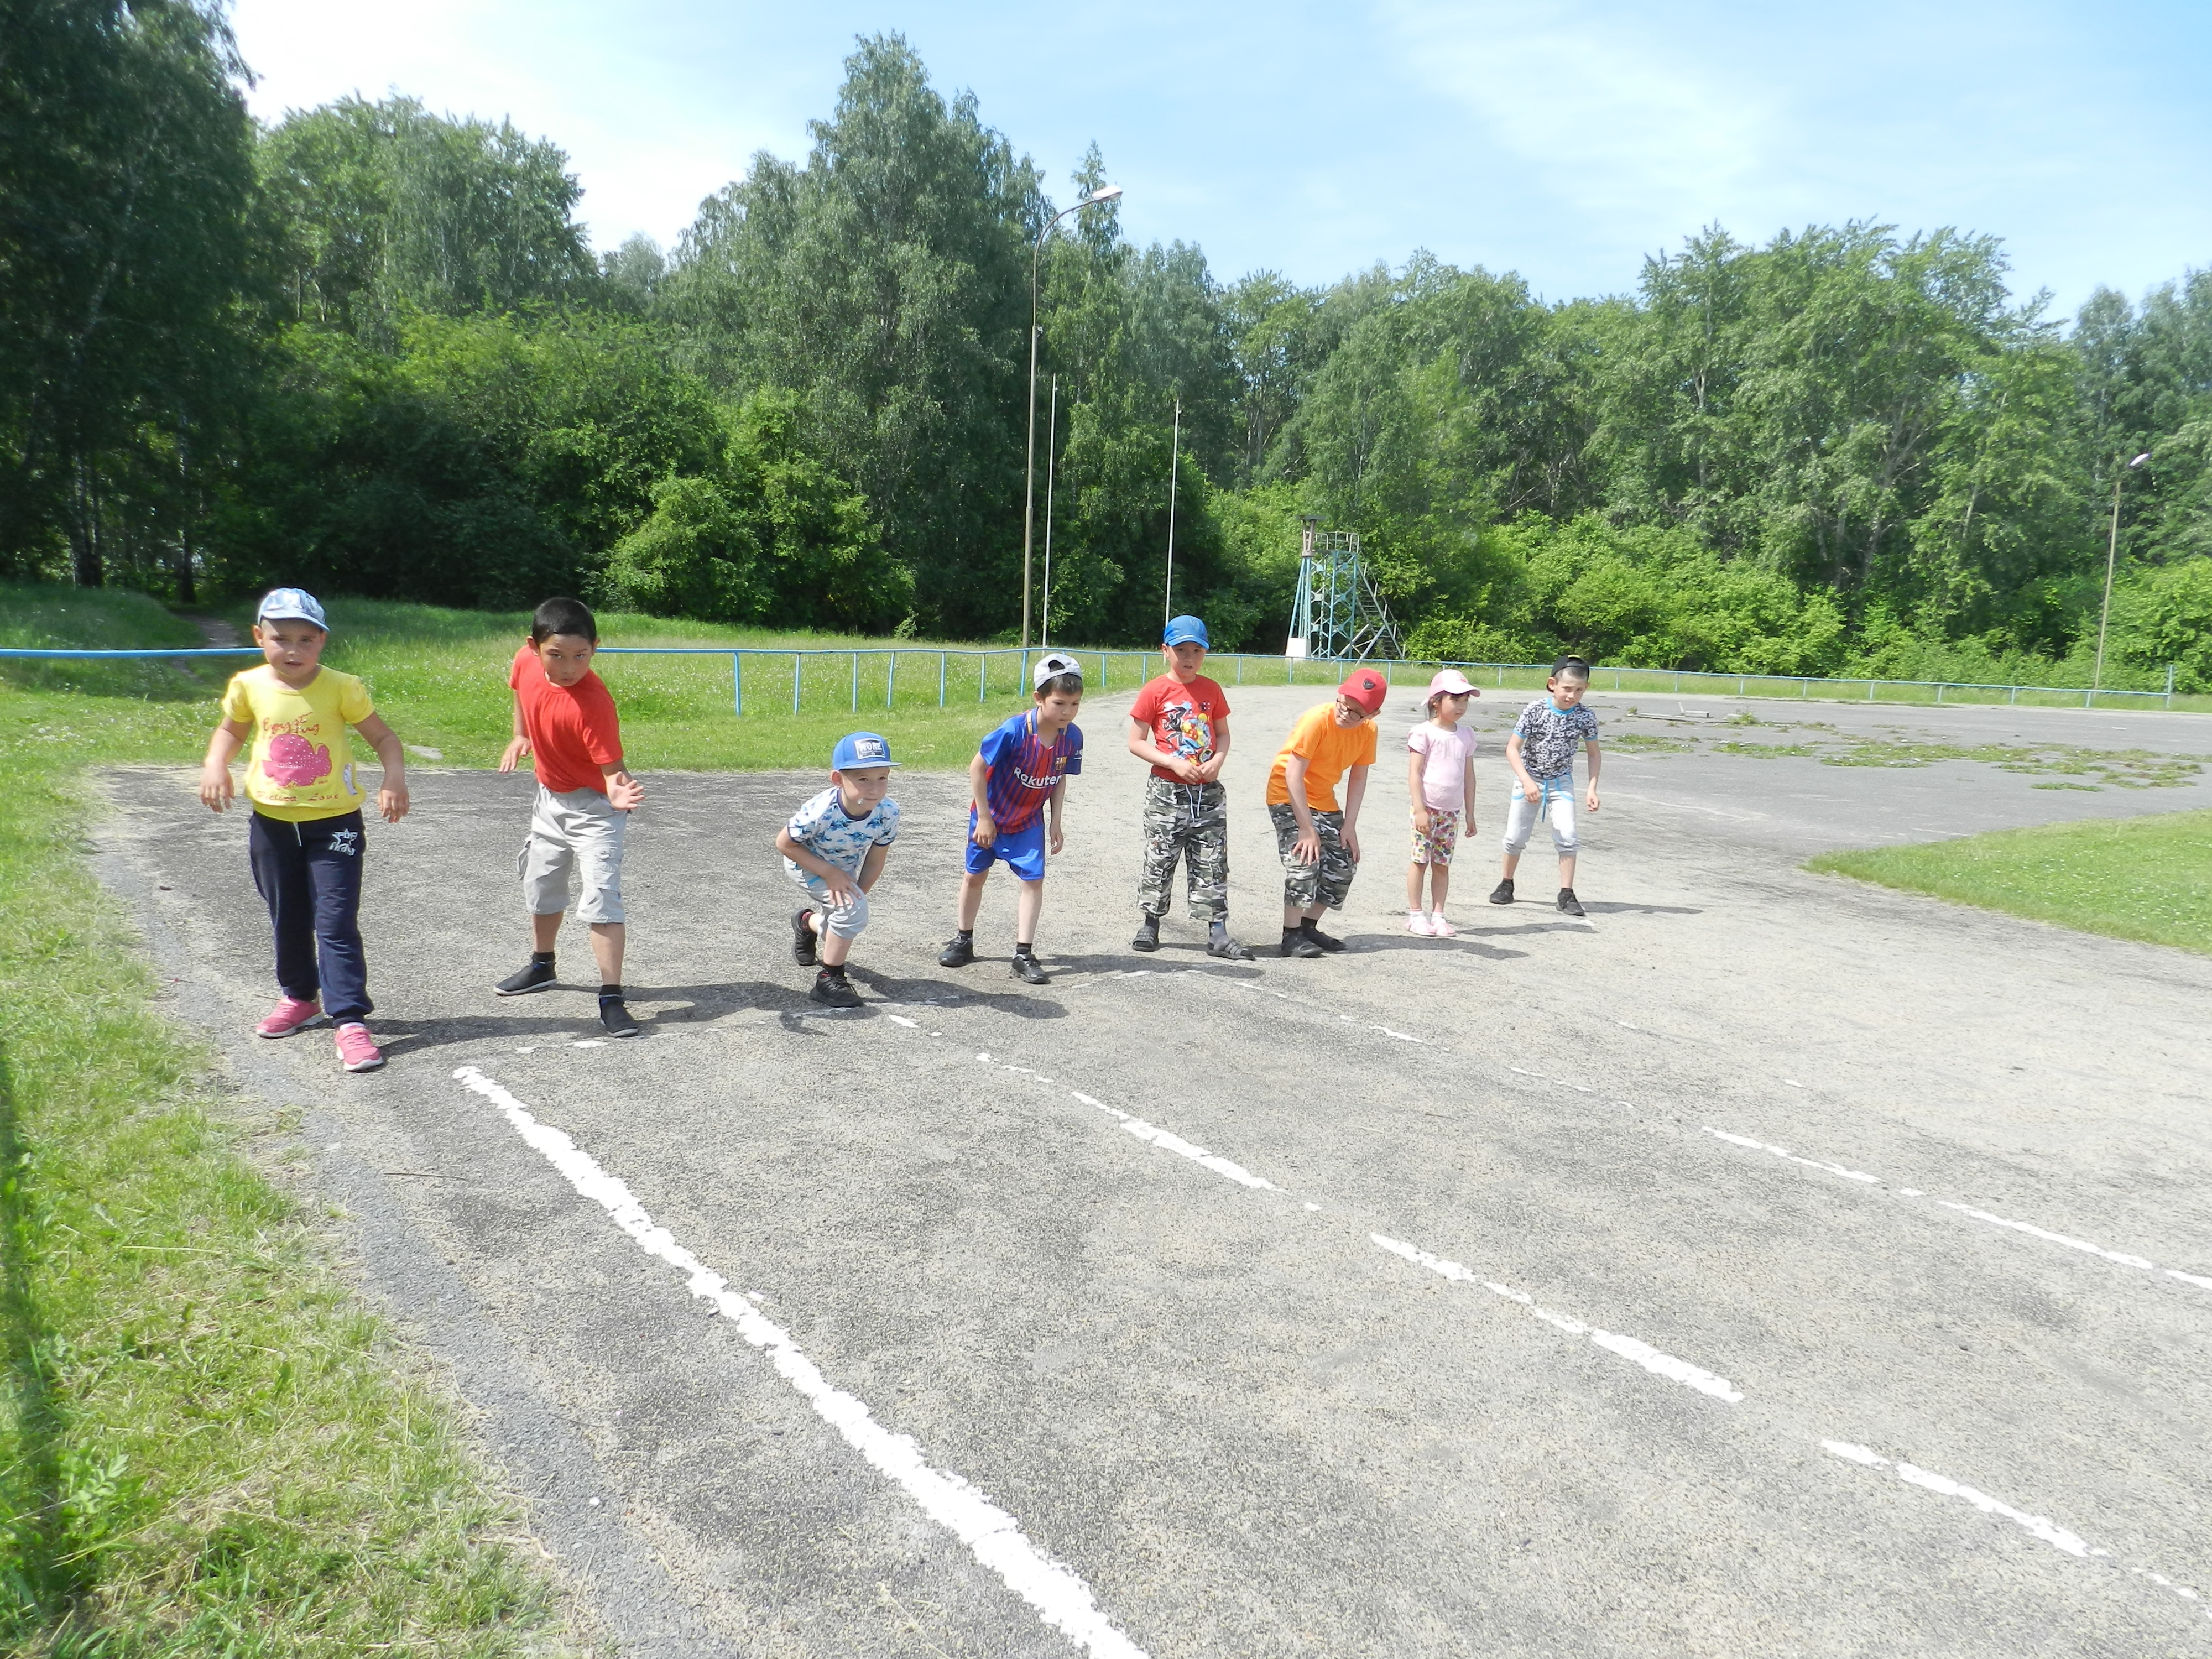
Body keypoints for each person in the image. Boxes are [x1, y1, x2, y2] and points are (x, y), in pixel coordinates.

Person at [198, 587, 408, 1073]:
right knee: (287, 916)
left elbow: (384, 738)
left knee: (335, 922)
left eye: (306, 640)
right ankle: (299, 997)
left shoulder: (342, 687)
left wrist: (394, 779)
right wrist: (215, 765)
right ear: (259, 636)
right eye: (281, 639)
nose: (293, 651)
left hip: (334, 825)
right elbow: (231, 731)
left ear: (322, 641)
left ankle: (350, 1020)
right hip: (272, 824)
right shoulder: (248, 685)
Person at [492, 597, 647, 1037]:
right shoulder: (525, 662)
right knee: (540, 885)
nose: (569, 667)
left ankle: (611, 997)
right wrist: (520, 734)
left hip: (596, 810)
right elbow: (520, 692)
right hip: (549, 802)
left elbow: (612, 770)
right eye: (557, 655)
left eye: (581, 656)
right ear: (534, 647)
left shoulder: (593, 703)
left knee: (602, 900)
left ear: (595, 648)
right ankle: (543, 965)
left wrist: (617, 790)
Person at [939, 654, 1084, 985]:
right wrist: (984, 818)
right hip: (991, 817)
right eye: (1060, 703)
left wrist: (1056, 822)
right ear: (1039, 698)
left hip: (1028, 821)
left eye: (1075, 704)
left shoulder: (1072, 737)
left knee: (1033, 881)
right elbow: (977, 769)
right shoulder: (1014, 731)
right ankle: (963, 940)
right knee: (974, 877)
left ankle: (1023, 954)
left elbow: (1059, 777)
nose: (1067, 712)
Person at [1124, 615, 1254, 960]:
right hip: (1167, 792)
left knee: (1212, 860)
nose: (1189, 658)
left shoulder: (1212, 690)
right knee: (1161, 857)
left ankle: (1218, 933)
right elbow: (1136, 742)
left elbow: (1222, 734)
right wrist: (1174, 763)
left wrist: (1218, 761)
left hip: (1207, 792)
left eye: (1197, 651)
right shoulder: (1155, 690)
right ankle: (1150, 924)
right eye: (1181, 650)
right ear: (1165, 650)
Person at [1265, 667, 1387, 959]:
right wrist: (1307, 829)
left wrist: (1349, 825)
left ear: (1373, 714)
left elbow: (1358, 777)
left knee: (1344, 862)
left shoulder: (1369, 731)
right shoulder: (1317, 720)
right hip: (1287, 795)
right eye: (1344, 704)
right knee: (1304, 860)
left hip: (1324, 801)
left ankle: (1308, 926)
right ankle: (1290, 935)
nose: (1345, 714)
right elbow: (1293, 774)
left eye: (1356, 713)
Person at [777, 732, 900, 1009]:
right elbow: (784, 843)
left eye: (882, 778)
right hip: (806, 863)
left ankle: (806, 923)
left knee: (845, 916)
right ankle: (828, 980)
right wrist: (831, 875)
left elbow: (876, 860)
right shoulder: (821, 810)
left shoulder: (888, 813)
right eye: (863, 779)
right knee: (851, 913)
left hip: (844, 870)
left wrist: (857, 894)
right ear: (838, 779)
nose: (875, 789)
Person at [1491, 654, 1603, 917]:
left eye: (1579, 690)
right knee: (1515, 837)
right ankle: (1506, 883)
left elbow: (1594, 754)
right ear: (1552, 684)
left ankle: (1566, 893)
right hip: (1529, 779)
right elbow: (1512, 749)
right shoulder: (1535, 710)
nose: (1572, 696)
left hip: (1561, 783)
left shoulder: (1585, 716)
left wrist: (1592, 788)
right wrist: (1527, 781)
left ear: (1586, 688)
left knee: (1568, 836)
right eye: (1567, 689)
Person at [1406, 669, 1480, 936]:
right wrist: (1419, 809)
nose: (1461, 706)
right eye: (1455, 700)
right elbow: (1414, 774)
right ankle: (1416, 915)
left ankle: (1438, 915)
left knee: (1442, 863)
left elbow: (1469, 776)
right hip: (1427, 808)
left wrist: (1470, 813)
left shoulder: (1466, 735)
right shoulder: (1423, 733)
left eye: (1465, 701)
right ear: (1436, 701)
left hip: (1451, 812)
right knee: (1420, 861)